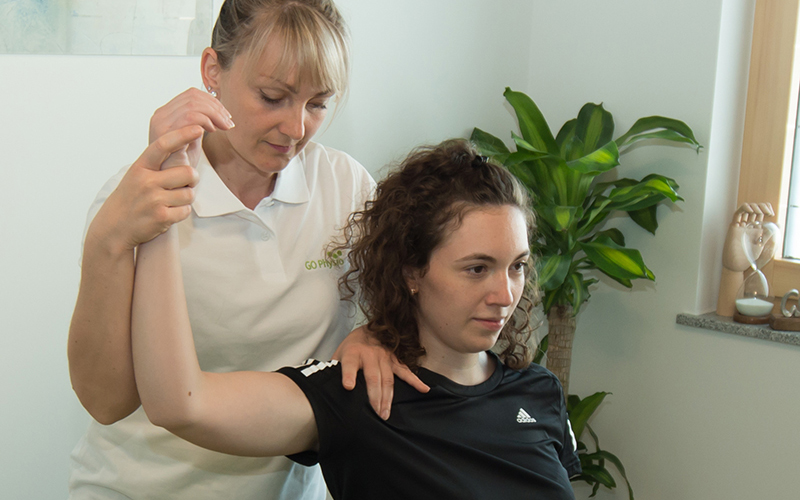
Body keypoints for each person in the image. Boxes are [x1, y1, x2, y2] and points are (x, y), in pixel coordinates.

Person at [67, 1, 426, 498]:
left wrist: (374, 334)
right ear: (212, 71)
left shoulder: (346, 187)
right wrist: (108, 240)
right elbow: (105, 402)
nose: (296, 128)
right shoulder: (135, 201)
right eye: (273, 97)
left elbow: (410, 319)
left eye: (318, 104)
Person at [131, 139, 582, 500]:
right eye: (477, 269)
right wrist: (158, 225)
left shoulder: (539, 391)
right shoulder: (359, 396)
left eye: (517, 266)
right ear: (411, 272)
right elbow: (181, 405)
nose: (505, 295)